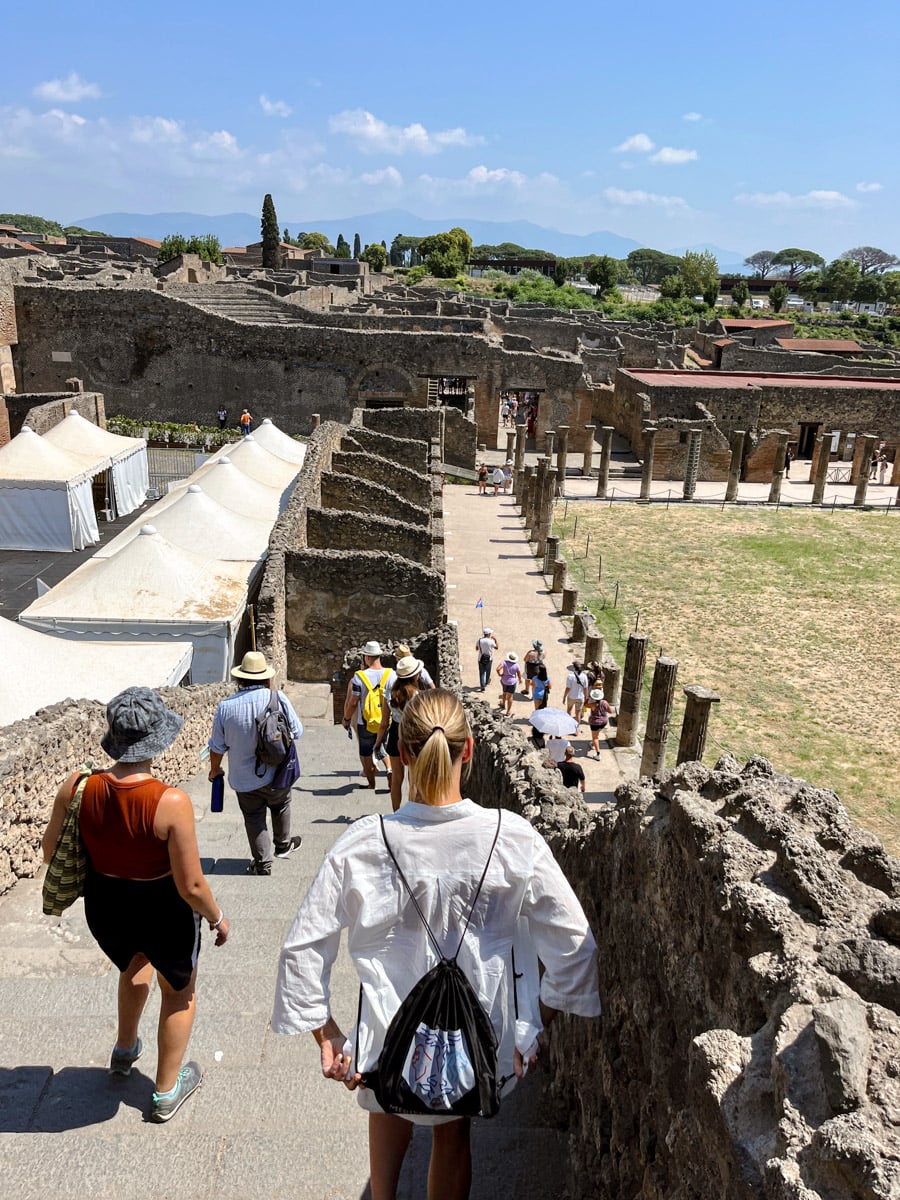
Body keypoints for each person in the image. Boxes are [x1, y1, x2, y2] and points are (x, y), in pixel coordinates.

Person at [271, 689, 601, 1200]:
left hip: (383, 1039)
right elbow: (576, 948)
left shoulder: (363, 841)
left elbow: (301, 949)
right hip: (479, 1040)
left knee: (386, 1101)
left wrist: (329, 1036)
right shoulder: (512, 838)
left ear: (401, 754)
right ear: (468, 753)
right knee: (454, 1129)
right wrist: (531, 1028)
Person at [42, 687, 229, 1124]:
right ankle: (165, 1091)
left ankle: (125, 1048)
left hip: (107, 907)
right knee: (180, 992)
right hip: (162, 909)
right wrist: (217, 918)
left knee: (133, 966)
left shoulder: (77, 785)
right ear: (158, 740)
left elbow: (51, 850)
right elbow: (191, 885)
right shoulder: (171, 802)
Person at [209, 651, 303, 875]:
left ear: (240, 678)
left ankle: (263, 863)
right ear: (266, 677)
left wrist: (215, 769)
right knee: (281, 804)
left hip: (244, 778)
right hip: (278, 772)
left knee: (253, 817)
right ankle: (282, 845)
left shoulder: (226, 707)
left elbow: (217, 747)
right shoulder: (278, 698)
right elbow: (297, 731)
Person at [374, 653, 435, 812]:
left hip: (395, 732)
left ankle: (396, 812)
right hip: (413, 734)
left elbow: (383, 722)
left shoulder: (390, 694)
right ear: (415, 675)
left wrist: (378, 741)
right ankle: (412, 812)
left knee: (396, 779)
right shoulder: (418, 696)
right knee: (413, 779)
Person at [342, 640, 391, 790]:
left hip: (366, 723)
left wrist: (346, 719)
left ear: (367, 658)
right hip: (386, 721)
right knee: (382, 747)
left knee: (366, 754)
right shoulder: (391, 675)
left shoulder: (359, 676)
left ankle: (371, 784)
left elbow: (353, 702)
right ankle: (390, 770)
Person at [586, 688, 615, 757]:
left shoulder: (592, 705)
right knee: (597, 733)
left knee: (595, 737)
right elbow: (610, 711)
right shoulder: (605, 702)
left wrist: (588, 698)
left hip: (595, 723)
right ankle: (593, 743)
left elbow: (585, 705)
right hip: (604, 722)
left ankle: (598, 754)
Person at [496, 651, 523, 715]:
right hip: (512, 682)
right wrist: (520, 679)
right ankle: (508, 711)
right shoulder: (516, 665)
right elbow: (519, 673)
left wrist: (500, 674)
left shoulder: (504, 662)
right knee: (510, 697)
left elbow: (497, 669)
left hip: (504, 680)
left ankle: (503, 704)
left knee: (504, 693)